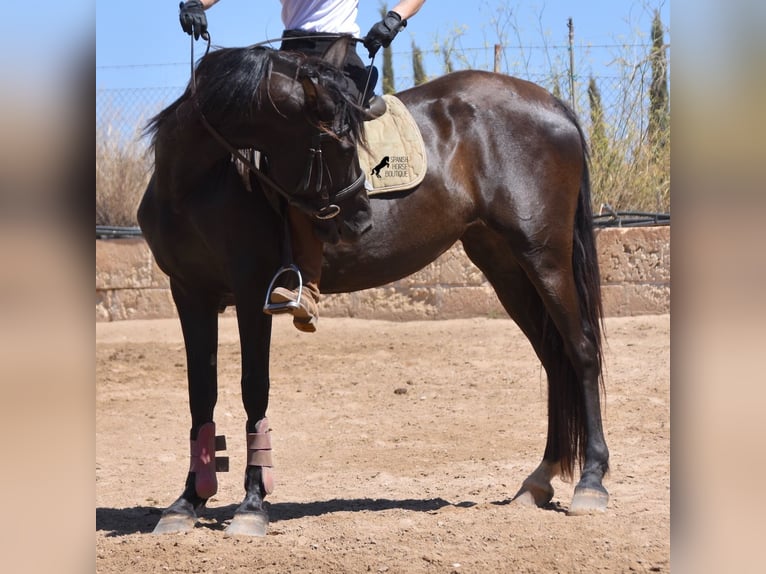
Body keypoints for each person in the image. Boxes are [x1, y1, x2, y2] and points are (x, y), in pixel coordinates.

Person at [178, 0, 426, 333]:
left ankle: (306, 284)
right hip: (287, 54)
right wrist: (194, 3)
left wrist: (395, 18)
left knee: (309, 144)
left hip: (339, 55)